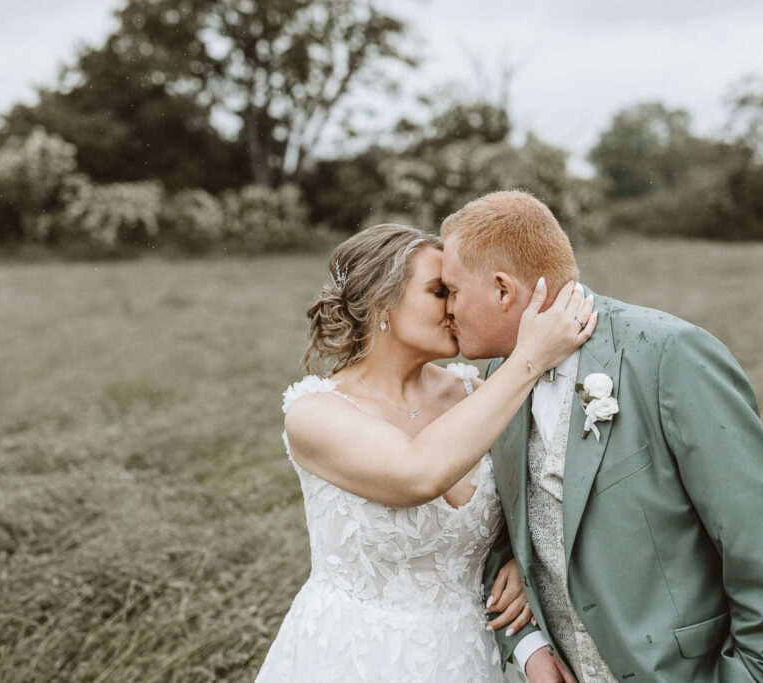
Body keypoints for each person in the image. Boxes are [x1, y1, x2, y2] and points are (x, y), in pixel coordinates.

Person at [439, 190, 763, 683]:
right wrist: (530, 647)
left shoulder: (668, 356)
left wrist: (762, 674)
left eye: (451, 290)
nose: (447, 309)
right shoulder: (500, 377)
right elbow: (494, 532)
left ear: (502, 290)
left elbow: (760, 539)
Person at [255, 223, 598, 682]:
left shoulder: (477, 395)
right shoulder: (314, 414)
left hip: (470, 658)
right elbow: (416, 475)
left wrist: (523, 557)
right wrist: (529, 358)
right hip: (354, 656)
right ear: (382, 301)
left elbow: (539, 499)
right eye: (440, 291)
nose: (457, 307)